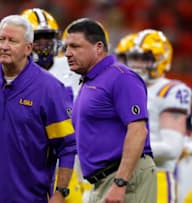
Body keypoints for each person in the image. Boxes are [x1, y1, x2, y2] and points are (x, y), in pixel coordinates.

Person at [0, 14, 76, 203]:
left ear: (28, 48)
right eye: (1, 39)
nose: (4, 46)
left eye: (12, 41)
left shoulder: (49, 88)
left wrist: (60, 193)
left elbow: (67, 146)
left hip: (32, 198)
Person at [64, 18, 157, 202]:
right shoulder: (89, 81)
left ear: (98, 47)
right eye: (67, 47)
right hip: (101, 182)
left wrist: (120, 183)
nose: (67, 53)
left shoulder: (121, 77)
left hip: (125, 179)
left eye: (75, 46)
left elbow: (138, 131)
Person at [115, 29, 191, 203]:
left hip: (157, 176)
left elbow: (172, 149)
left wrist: (123, 150)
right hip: (123, 176)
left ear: (161, 59)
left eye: (145, 59)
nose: (138, 64)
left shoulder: (170, 91)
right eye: (134, 58)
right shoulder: (126, 88)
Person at [21, 8, 84, 203]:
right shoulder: (10, 74)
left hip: (69, 163)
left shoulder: (73, 67)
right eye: (37, 38)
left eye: (47, 38)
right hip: (28, 168)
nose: (43, 44)